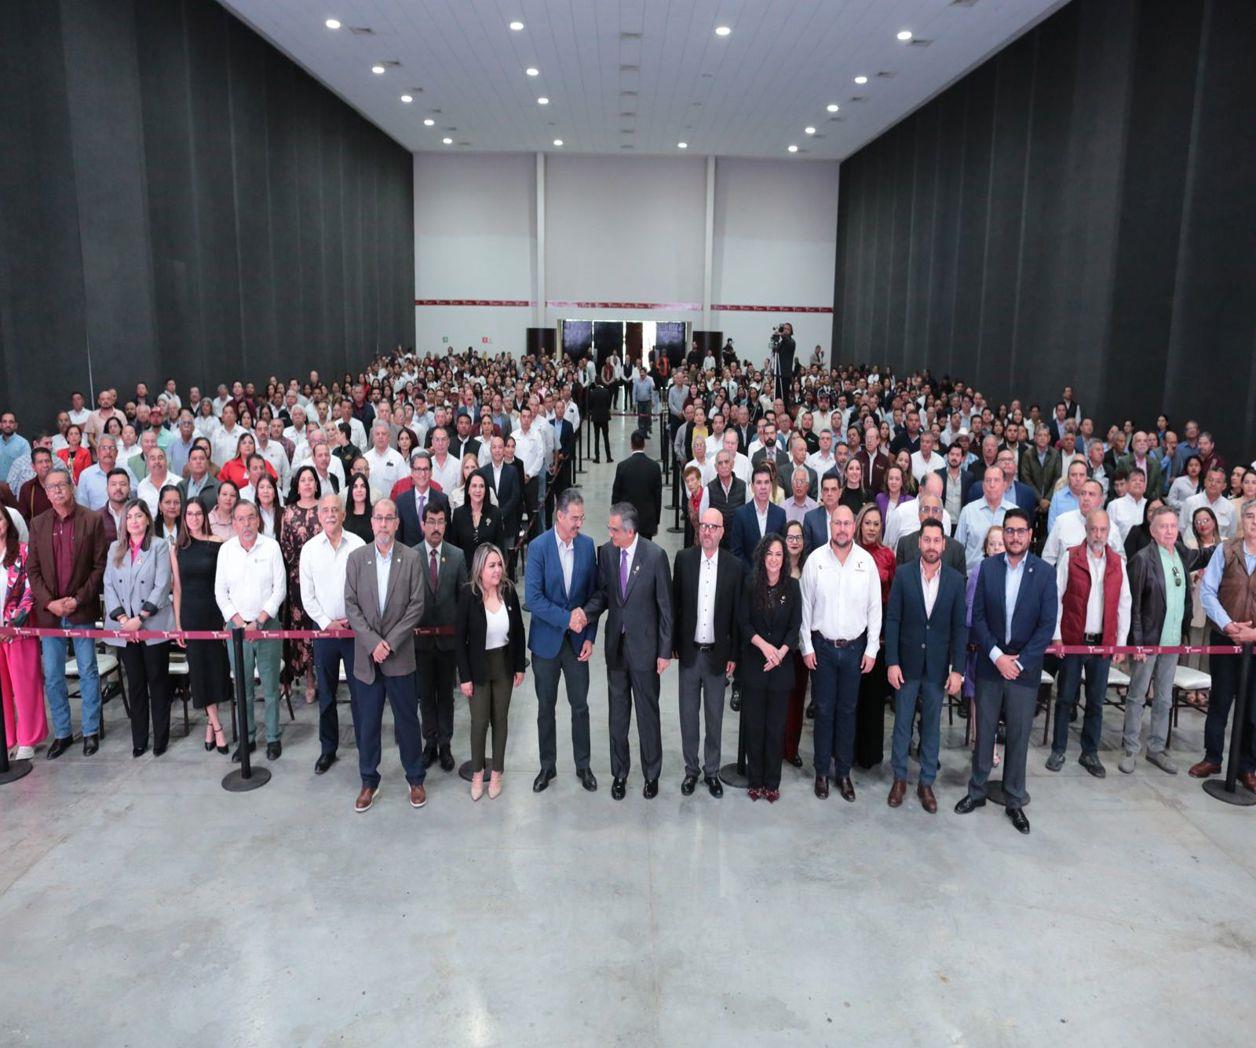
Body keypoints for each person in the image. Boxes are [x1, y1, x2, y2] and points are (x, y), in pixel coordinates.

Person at [955, 508, 1057, 835]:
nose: (1014, 537)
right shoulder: (987, 568)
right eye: (1009, 531)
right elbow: (979, 619)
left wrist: (1020, 661)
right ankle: (977, 791)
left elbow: (1046, 626)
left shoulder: (1043, 573)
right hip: (990, 664)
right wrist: (998, 656)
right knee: (984, 732)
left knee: (1018, 734)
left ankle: (1014, 799)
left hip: (1024, 671)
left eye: (1020, 531)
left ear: (1030, 535)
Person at [582, 502, 673, 800]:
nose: (609, 534)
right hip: (616, 650)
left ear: (630, 531)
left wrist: (664, 652)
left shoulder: (655, 556)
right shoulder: (607, 553)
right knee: (617, 716)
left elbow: (665, 609)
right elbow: (604, 595)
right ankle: (619, 773)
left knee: (647, 715)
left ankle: (651, 774)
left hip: (646, 651)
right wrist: (584, 614)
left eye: (614, 530)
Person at [343, 498, 428, 813]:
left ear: (396, 523)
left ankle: (415, 778)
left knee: (407, 720)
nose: (382, 524)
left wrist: (388, 643)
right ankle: (368, 781)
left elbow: (416, 606)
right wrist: (372, 643)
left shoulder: (410, 559)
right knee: (367, 723)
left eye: (388, 518)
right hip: (367, 658)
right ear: (372, 523)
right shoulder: (356, 559)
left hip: (399, 656)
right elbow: (351, 605)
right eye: (378, 518)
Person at [799, 505, 882, 801]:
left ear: (854, 526)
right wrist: (806, 646)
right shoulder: (815, 561)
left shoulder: (865, 562)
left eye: (848, 523)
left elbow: (875, 608)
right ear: (830, 525)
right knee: (822, 711)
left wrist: (872, 649)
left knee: (847, 712)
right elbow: (805, 606)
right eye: (838, 523)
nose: (843, 528)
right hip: (821, 647)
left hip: (854, 650)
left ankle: (843, 773)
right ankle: (822, 771)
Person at [884, 519, 967, 813]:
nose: (931, 546)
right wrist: (891, 662)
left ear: (944, 544)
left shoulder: (956, 581)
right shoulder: (904, 575)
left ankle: (926, 782)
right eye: (927, 540)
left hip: (938, 668)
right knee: (902, 725)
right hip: (906, 665)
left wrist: (958, 669)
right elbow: (892, 620)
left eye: (936, 540)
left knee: (932, 727)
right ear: (919, 543)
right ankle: (900, 778)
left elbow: (960, 628)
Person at [1122, 505, 1209, 775]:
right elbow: (1134, 606)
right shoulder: (1142, 559)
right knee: (1137, 696)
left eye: (1173, 526)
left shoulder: (1181, 553)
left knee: (1163, 698)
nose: (1169, 531)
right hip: (1147, 641)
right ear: (1152, 530)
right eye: (1163, 526)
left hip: (1173, 640)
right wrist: (1136, 643)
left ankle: (1156, 749)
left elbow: (1205, 555)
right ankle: (1130, 749)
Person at [27, 471, 108, 758]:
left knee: (87, 670)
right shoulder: (37, 525)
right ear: (46, 493)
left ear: (71, 488)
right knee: (52, 675)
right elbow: (32, 571)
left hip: (81, 607)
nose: (58, 490)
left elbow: (99, 567)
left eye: (62, 485)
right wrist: (50, 603)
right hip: (50, 613)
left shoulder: (92, 520)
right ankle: (62, 733)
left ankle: (90, 731)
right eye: (52, 487)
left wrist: (77, 599)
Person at [525, 487, 599, 793]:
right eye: (574, 518)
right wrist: (566, 618)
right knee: (546, 706)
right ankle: (547, 766)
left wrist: (590, 636)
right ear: (559, 516)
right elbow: (533, 598)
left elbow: (594, 595)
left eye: (582, 518)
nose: (579, 524)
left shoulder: (587, 546)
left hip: (577, 643)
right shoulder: (539, 547)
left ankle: (583, 765)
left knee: (580, 706)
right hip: (546, 644)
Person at [1048, 509, 1131, 777]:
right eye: (1094, 529)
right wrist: (1057, 635)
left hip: (1103, 643)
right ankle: (1058, 749)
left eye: (1103, 530)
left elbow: (1124, 604)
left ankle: (1090, 752)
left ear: (1109, 532)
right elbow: (1056, 595)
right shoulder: (1071, 556)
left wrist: (1120, 642)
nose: (1098, 535)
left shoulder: (1118, 562)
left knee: (1096, 702)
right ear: (1087, 529)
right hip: (1073, 640)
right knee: (1065, 698)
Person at [671, 508, 740, 797]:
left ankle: (712, 771)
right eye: (704, 526)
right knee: (688, 716)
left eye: (714, 526)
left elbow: (737, 615)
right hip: (689, 654)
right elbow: (675, 606)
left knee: (714, 717)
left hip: (717, 656)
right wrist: (673, 646)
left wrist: (733, 655)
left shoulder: (734, 566)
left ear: (722, 532)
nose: (708, 531)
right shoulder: (684, 560)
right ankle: (691, 770)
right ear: (698, 530)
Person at [214, 500, 286, 761]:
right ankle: (248, 738)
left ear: (258, 520)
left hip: (267, 626)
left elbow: (280, 589)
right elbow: (220, 592)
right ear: (234, 523)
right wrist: (239, 622)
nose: (246, 524)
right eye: (241, 519)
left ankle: (273, 738)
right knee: (242, 687)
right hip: (237, 630)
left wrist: (260, 620)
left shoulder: (271, 547)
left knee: (269, 686)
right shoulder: (226, 551)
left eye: (251, 518)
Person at [1191, 499, 1256, 788]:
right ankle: (1213, 758)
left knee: (1253, 708)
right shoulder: (1225, 549)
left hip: (1255, 643)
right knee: (1219, 702)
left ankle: (1246, 766)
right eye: (1251, 516)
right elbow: (1208, 591)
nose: (1255, 521)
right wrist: (1229, 625)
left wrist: (1254, 634)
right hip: (1225, 639)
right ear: (1243, 519)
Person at [103, 499, 175, 758]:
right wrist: (124, 621)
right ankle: (139, 739)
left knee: (158, 682)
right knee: (135, 684)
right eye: (129, 516)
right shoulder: (115, 548)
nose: (133, 521)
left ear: (147, 519)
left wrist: (139, 619)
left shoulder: (159, 546)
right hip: (125, 630)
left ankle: (161, 738)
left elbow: (162, 584)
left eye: (138, 515)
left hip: (152, 624)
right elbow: (108, 585)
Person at [299, 494, 365, 775]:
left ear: (343, 514)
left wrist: (351, 620)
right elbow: (307, 595)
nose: (329, 514)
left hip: (354, 632)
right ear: (318, 515)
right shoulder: (310, 550)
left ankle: (366, 744)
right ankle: (328, 749)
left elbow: (367, 589)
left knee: (361, 691)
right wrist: (327, 623)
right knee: (326, 693)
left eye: (334, 510)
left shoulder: (359, 545)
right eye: (324, 510)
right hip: (324, 632)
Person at [455, 543, 526, 800]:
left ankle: (497, 772)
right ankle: (477, 773)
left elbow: (518, 631)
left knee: (501, 720)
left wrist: (519, 666)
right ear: (480, 569)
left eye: (499, 564)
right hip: (478, 667)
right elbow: (459, 640)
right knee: (479, 722)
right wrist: (464, 677)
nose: (497, 570)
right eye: (491, 565)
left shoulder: (508, 592)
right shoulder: (468, 595)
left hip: (504, 666)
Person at [738, 533, 802, 802]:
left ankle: (772, 782)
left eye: (778, 554)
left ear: (784, 558)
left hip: (781, 668)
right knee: (755, 726)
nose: (774, 559)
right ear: (762, 556)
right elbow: (744, 623)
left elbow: (794, 627)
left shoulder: (793, 587)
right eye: (769, 554)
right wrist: (765, 648)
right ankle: (755, 780)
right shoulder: (751, 584)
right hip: (755, 665)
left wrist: (780, 653)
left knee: (776, 728)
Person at [171, 498, 230, 756]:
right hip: (191, 615)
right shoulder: (178, 548)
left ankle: (209, 724)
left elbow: (226, 582)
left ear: (204, 516)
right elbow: (177, 588)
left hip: (215, 612)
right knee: (199, 673)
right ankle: (217, 726)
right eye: (189, 514)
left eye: (198, 514)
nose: (193, 518)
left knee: (216, 670)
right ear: (184, 518)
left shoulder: (218, 543)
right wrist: (178, 625)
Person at [414, 502, 466, 773]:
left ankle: (445, 745)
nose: (436, 527)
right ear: (423, 524)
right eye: (431, 521)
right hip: (420, 643)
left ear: (446, 525)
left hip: (448, 642)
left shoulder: (457, 556)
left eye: (441, 521)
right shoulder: (411, 556)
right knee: (425, 695)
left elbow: (463, 600)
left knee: (446, 695)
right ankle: (429, 743)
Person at [0, 509, 46, 759]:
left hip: (18, 631)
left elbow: (30, 592)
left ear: (7, 522)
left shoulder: (23, 552)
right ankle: (8, 738)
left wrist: (12, 623)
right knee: (3, 690)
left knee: (25, 685)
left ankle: (28, 738)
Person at [852, 503, 895, 769]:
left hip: (878, 635)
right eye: (867, 523)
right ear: (859, 524)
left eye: (876, 524)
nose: (871, 528)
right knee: (851, 698)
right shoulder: (850, 552)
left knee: (873, 697)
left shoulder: (888, 555)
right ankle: (849, 750)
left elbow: (892, 596)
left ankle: (870, 754)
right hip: (853, 631)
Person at [279, 466, 323, 705]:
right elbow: (285, 544)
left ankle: (322, 676)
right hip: (297, 577)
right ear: (297, 485)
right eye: (303, 480)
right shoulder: (289, 512)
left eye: (311, 480)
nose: (307, 484)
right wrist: (300, 567)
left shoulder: (323, 508)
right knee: (301, 627)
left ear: (316, 484)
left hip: (322, 578)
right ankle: (307, 678)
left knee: (320, 625)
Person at [731, 465, 787, 569]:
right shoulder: (740, 514)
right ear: (752, 487)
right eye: (759, 482)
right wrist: (753, 574)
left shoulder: (780, 514)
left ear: (771, 486)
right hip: (748, 578)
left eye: (766, 482)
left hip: (774, 576)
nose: (763, 487)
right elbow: (736, 551)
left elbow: (782, 550)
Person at [610, 430, 663, 540]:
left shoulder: (622, 466)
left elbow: (616, 497)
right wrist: (655, 521)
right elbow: (658, 497)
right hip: (647, 522)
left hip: (627, 521)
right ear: (644, 444)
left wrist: (615, 521)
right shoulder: (654, 467)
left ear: (631, 445)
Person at [397, 451, 451, 547]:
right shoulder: (401, 501)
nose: (422, 474)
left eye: (426, 469)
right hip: (409, 558)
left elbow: (447, 536)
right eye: (418, 469)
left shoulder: (442, 500)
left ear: (431, 472)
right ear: (412, 472)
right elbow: (399, 537)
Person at [449, 471, 501, 567]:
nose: (478, 490)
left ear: (486, 490)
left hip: (488, 572)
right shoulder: (458, 514)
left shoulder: (495, 514)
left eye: (481, 486)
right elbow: (454, 548)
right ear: (468, 489)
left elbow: (499, 548)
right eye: (474, 486)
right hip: (464, 573)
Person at [342, 472, 375, 543]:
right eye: (355, 486)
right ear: (350, 490)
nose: (359, 490)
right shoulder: (342, 515)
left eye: (363, 486)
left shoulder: (375, 513)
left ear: (367, 490)